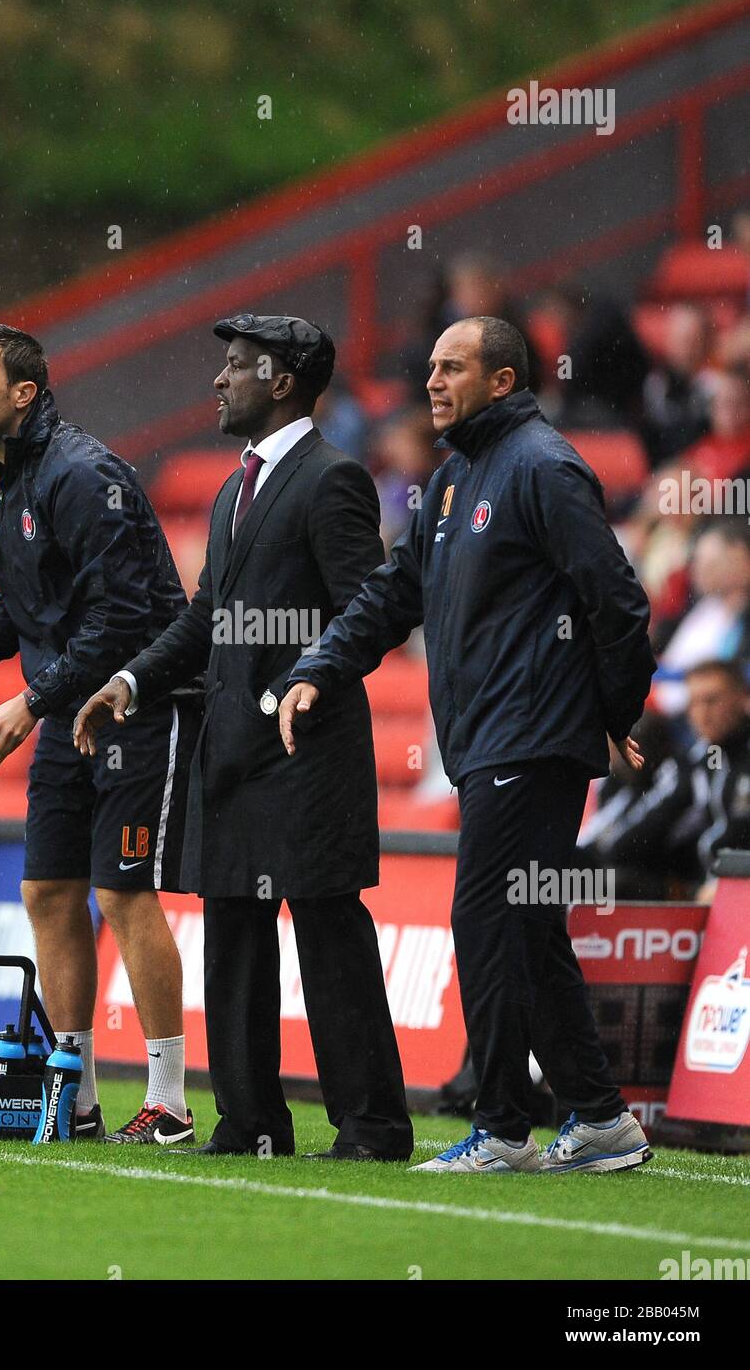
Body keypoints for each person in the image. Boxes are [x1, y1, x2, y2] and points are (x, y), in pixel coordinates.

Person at [280, 315, 656, 1175]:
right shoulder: (453, 481)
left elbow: (617, 599)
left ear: (501, 380)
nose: (433, 382)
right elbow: (389, 595)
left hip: (531, 738)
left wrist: (611, 709)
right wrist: (321, 666)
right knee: (526, 928)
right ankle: (599, 1119)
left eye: (454, 368)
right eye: (432, 368)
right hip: (490, 739)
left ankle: (503, 1128)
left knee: (485, 921)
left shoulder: (543, 467)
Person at [73, 314, 414, 1162]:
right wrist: (128, 681)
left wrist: (311, 679)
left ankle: (370, 1127)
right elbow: (205, 619)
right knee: (231, 935)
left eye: (236, 367)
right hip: (225, 749)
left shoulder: (332, 480)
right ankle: (250, 1120)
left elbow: (369, 608)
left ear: (284, 380)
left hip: (307, 752)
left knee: (329, 930)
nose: (219, 382)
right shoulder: (235, 488)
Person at [0, 323, 200, 1145]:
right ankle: (71, 1095)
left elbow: (120, 614)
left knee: (120, 890)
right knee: (47, 891)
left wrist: (31, 701)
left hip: (133, 704)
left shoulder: (84, 475)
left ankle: (169, 1101)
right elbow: (33, 597)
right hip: (65, 705)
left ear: (23, 394)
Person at [582, 661, 750, 899]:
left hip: (737, 887)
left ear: (743, 697)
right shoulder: (693, 764)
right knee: (590, 876)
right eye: (694, 703)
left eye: (712, 700)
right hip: (700, 886)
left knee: (610, 883)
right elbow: (635, 834)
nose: (703, 713)